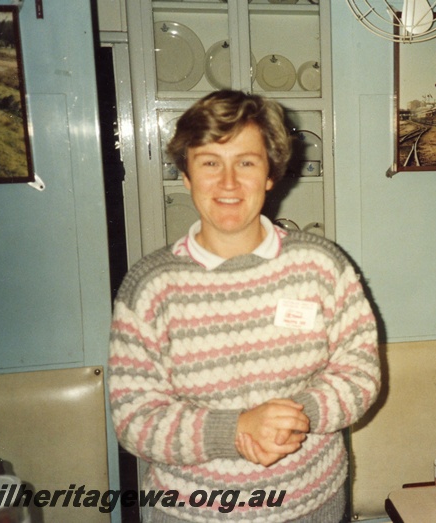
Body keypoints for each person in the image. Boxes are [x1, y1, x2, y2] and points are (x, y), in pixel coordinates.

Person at [108, 89, 381, 522]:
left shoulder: (322, 266)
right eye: (210, 162)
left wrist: (295, 418)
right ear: (186, 175)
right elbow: (134, 418)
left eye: (246, 163)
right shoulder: (148, 287)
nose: (228, 183)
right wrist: (235, 429)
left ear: (271, 174)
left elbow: (360, 373)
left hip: (311, 507)